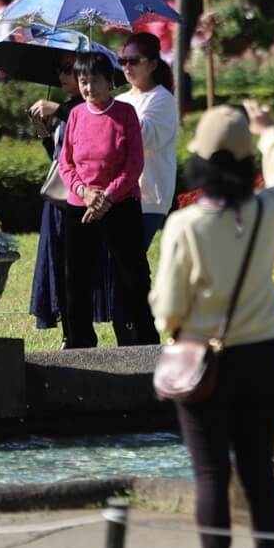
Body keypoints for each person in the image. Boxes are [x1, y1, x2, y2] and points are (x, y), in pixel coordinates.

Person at [150, 101, 274, 548]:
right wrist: (269, 132)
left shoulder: (186, 225)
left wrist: (174, 329)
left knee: (211, 473)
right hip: (262, 358)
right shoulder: (266, 211)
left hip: (203, 363)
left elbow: (169, 305)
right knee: (258, 470)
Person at [58, 52, 159, 349]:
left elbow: (134, 163)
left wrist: (107, 197)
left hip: (120, 204)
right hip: (81, 207)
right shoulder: (76, 114)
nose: (89, 88)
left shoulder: (125, 113)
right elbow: (66, 164)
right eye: (83, 81)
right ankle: (79, 342)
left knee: (133, 276)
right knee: (76, 278)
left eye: (95, 81)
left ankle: (143, 339)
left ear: (109, 81)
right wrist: (85, 193)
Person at [27, 53, 111, 345]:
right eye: (58, 70)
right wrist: (45, 129)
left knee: (77, 269)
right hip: (58, 197)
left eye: (68, 70)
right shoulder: (68, 111)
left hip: (81, 200)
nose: (62, 76)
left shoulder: (87, 110)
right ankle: (69, 331)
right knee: (57, 266)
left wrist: (60, 109)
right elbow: (58, 157)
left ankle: (80, 333)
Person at [116, 32, 179, 248]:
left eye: (134, 61)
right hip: (118, 195)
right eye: (122, 61)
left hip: (149, 199)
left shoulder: (162, 99)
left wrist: (109, 111)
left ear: (153, 64)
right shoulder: (120, 100)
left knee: (129, 264)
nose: (127, 67)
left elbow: (142, 138)